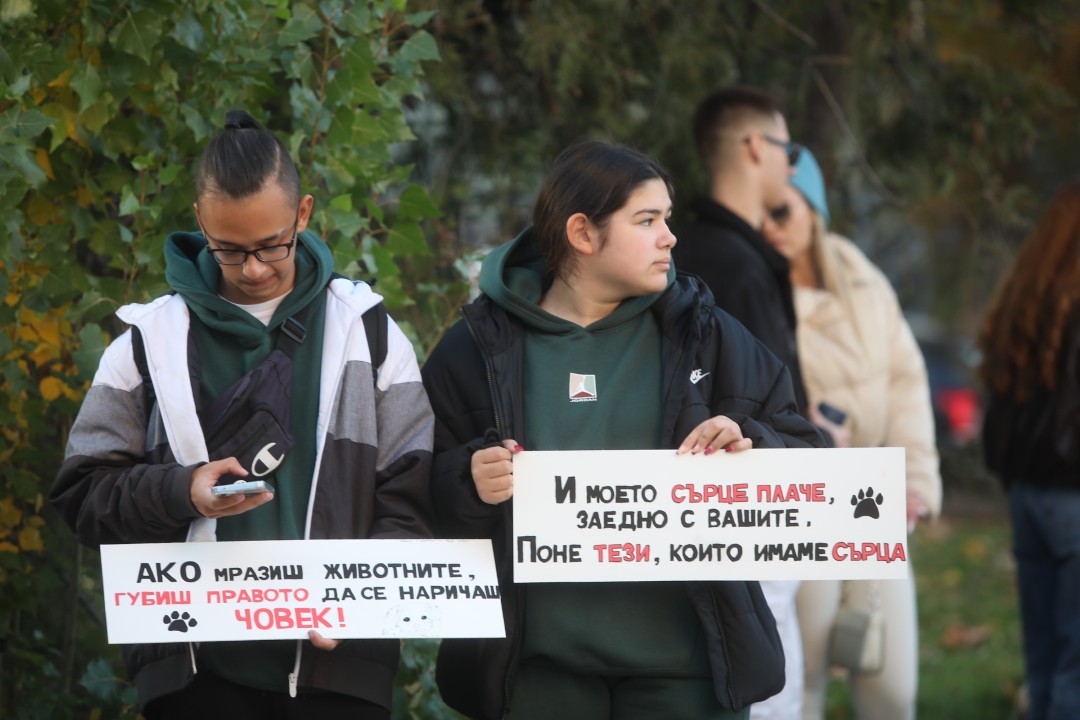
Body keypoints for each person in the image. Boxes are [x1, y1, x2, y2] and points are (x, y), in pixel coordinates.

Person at [421, 140, 827, 720]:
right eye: (647, 221)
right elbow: (416, 488)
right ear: (583, 234)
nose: (670, 237)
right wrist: (468, 480)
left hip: (689, 670)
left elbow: (804, 450)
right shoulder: (478, 346)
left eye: (667, 218)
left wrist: (750, 446)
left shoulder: (708, 333)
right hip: (533, 670)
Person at [49, 110, 434, 720]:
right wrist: (182, 491)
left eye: (271, 246)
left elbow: (413, 496)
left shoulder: (372, 334)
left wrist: (358, 607)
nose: (254, 268)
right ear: (200, 223)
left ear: (303, 214)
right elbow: (81, 496)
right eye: (229, 249)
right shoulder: (146, 342)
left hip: (338, 672)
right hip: (194, 676)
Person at [760, 149, 941, 720]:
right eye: (760, 212)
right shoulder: (754, 286)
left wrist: (915, 482)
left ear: (814, 208)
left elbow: (908, 382)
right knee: (801, 675)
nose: (770, 227)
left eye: (782, 211)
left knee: (890, 681)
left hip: (873, 496)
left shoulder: (862, 278)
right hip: (799, 502)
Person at [978, 182, 1080, 720]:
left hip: (1028, 498)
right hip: (1073, 496)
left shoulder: (1027, 299)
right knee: (1074, 675)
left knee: (1043, 667)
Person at [672, 85, 809, 414]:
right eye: (789, 152)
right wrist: (823, 439)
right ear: (757, 146)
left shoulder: (682, 250)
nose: (792, 169)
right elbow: (764, 407)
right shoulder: (739, 266)